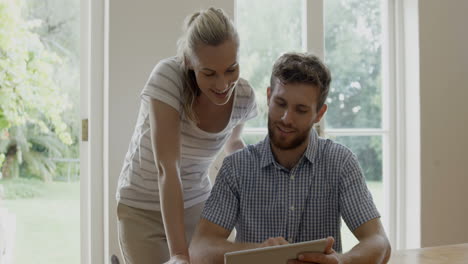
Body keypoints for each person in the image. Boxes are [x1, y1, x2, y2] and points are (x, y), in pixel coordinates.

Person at [189, 53, 391, 264]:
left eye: (301, 110)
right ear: (268, 97)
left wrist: (343, 261)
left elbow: (378, 242)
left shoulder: (340, 162)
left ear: (319, 114)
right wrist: (259, 253)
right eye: (280, 103)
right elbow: (200, 249)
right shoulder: (236, 167)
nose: (287, 118)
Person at [115, 7, 257, 264]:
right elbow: (167, 168)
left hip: (197, 203)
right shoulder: (168, 77)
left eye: (231, 69)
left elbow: (234, 143)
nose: (223, 84)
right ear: (190, 62)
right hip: (143, 207)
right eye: (209, 73)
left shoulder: (244, 96)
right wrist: (179, 254)